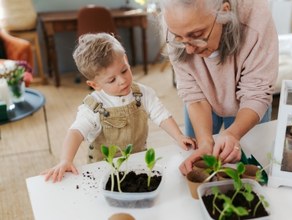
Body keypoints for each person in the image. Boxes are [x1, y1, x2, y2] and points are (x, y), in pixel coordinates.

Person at [42, 33, 195, 182]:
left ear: (126, 60)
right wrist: (65, 160)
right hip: (104, 169)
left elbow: (161, 115)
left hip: (138, 162)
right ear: (95, 85)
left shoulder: (142, 93)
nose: (122, 81)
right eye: (111, 80)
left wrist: (179, 136)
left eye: (124, 70)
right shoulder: (93, 107)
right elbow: (76, 132)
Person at [160, 0, 278, 175]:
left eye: (197, 34)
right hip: (201, 102)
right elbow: (193, 93)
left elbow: (256, 93)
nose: (189, 50)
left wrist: (234, 133)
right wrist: (205, 141)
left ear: (224, 11)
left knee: (250, 164)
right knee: (200, 154)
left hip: (248, 104)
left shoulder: (257, 18)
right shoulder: (175, 21)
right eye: (179, 39)